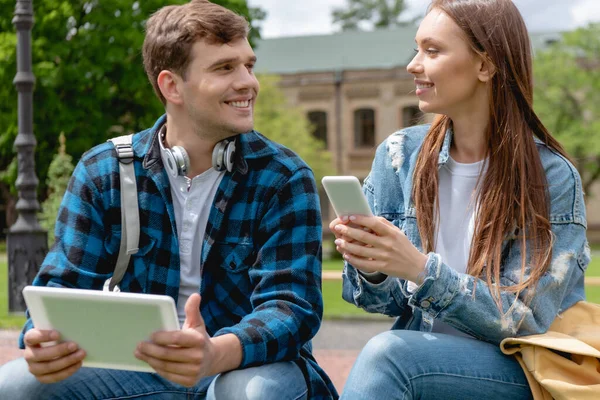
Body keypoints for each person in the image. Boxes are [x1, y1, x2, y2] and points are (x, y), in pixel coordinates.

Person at [0, 1, 337, 399]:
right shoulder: (102, 170)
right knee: (17, 384)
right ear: (171, 85)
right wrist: (42, 341)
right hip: (139, 370)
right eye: (225, 68)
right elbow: (60, 288)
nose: (248, 82)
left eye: (248, 65)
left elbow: (292, 307)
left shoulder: (283, 177)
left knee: (249, 393)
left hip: (245, 366)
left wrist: (214, 353)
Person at [329, 0, 590, 399]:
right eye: (416, 48)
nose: (413, 65)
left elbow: (525, 319)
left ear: (486, 65)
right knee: (394, 355)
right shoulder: (399, 156)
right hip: (427, 353)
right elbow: (381, 303)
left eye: (432, 51)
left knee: (390, 356)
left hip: (520, 367)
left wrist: (419, 268)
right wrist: (374, 268)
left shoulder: (551, 176)